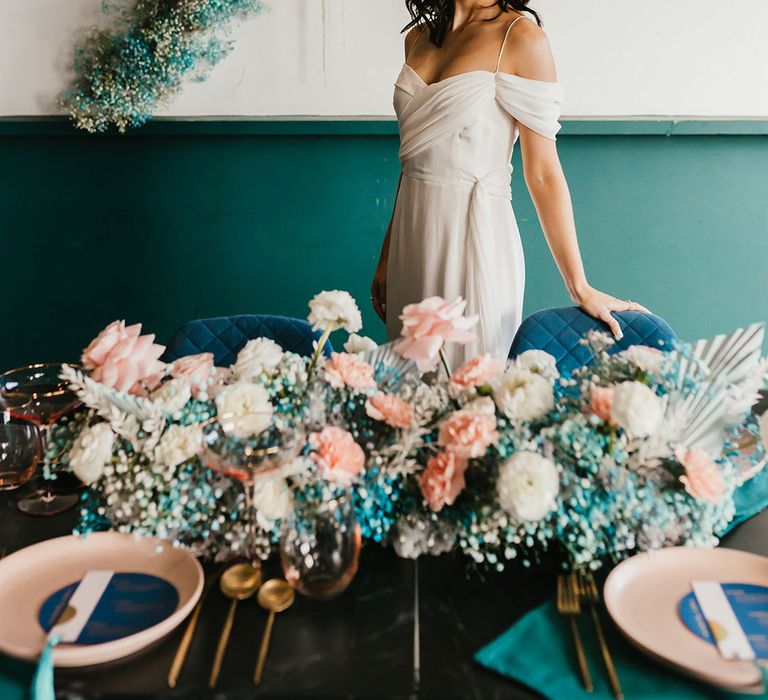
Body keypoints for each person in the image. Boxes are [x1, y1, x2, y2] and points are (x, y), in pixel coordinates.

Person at [371, 0, 648, 366]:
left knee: (470, 385)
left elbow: (543, 172)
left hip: (474, 238)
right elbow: (414, 164)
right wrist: (389, 254)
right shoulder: (418, 38)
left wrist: (578, 284)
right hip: (411, 241)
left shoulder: (520, 38)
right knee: (409, 395)